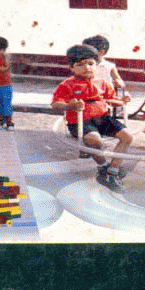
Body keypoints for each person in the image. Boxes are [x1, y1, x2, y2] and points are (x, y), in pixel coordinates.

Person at [51, 44, 132, 192]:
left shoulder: (102, 83)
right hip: (80, 122)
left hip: (103, 118)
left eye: (90, 63)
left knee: (127, 137)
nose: (87, 68)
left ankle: (112, 170)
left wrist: (122, 101)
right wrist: (70, 105)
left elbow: (111, 99)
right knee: (95, 141)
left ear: (96, 65)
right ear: (72, 68)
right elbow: (55, 104)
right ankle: (103, 166)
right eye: (80, 65)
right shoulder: (67, 85)